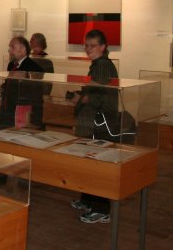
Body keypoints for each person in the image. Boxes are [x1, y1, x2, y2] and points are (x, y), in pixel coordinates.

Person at [70, 29, 119, 224]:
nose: (88, 49)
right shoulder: (98, 65)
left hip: (98, 122)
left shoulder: (103, 66)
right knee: (88, 161)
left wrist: (80, 97)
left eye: (92, 45)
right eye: (86, 45)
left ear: (103, 47)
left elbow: (101, 96)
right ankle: (89, 200)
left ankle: (101, 209)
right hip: (93, 120)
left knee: (96, 164)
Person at [0, 36, 44, 130]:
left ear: (23, 49)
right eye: (9, 47)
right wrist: (2, 89)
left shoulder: (34, 68)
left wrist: (23, 82)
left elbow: (37, 96)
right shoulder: (11, 65)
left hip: (21, 114)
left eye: (12, 47)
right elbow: (10, 85)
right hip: (7, 111)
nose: (9, 50)